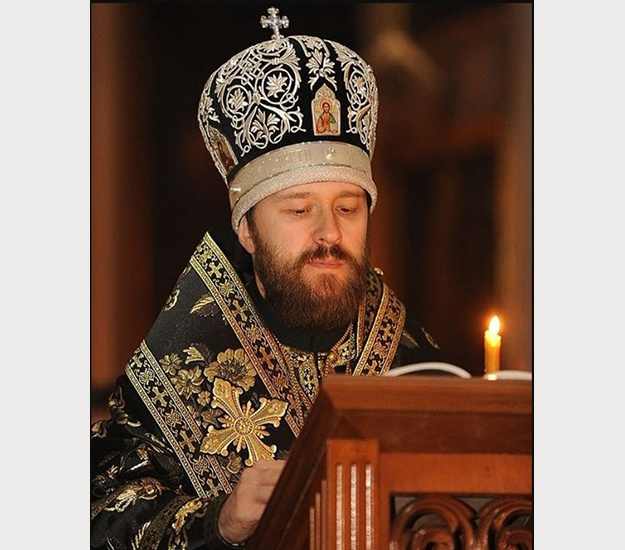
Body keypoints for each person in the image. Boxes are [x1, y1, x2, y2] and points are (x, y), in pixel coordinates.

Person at [91, 7, 447, 549]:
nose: (330, 233)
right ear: (248, 232)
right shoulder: (176, 364)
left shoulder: (407, 354)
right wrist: (219, 521)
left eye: (348, 208)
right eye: (299, 210)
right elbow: (97, 517)